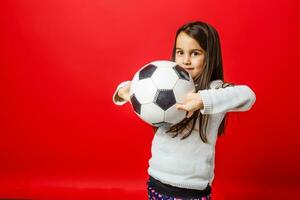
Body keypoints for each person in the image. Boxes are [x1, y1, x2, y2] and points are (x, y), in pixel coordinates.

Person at [112, 21, 256, 200]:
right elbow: (130, 85)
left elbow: (248, 95)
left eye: (195, 53)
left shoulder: (215, 90)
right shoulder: (166, 81)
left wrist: (202, 100)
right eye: (180, 53)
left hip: (191, 191)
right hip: (156, 182)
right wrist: (124, 91)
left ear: (210, 56)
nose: (186, 60)